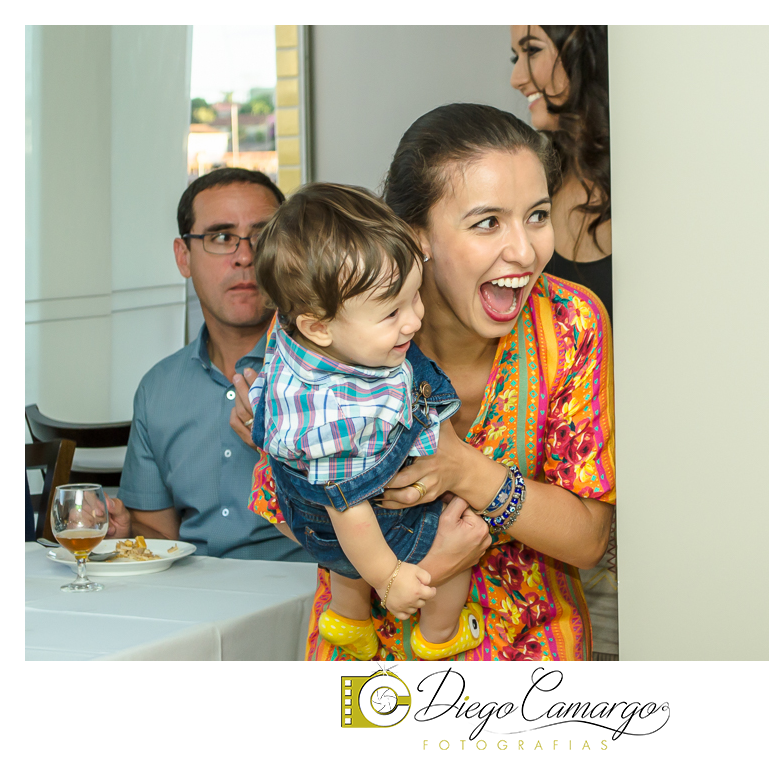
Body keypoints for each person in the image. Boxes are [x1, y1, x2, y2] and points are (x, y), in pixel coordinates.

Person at [233, 103, 617, 660]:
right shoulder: (322, 325)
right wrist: (429, 558)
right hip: (367, 666)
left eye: (537, 215)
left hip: (531, 670)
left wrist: (467, 471)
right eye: (488, 222)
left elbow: (588, 541)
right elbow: (285, 506)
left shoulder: (570, 322)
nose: (526, 250)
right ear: (418, 237)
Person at [249, 182, 485, 660]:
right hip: (354, 521)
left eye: (415, 297)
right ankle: (437, 637)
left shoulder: (303, 337)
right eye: (392, 312)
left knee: (339, 551)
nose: (414, 320)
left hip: (310, 511)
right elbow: (348, 509)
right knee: (455, 526)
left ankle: (348, 617)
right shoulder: (343, 413)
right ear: (318, 325)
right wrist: (390, 577)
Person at [106, 168, 310, 562]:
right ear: (183, 257)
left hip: (313, 602)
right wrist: (128, 532)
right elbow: (157, 533)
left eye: (263, 235)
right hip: (195, 605)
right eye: (221, 237)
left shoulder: (338, 372)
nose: (246, 256)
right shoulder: (159, 388)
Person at [511, 25, 619, 657]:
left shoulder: (667, 182)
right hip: (548, 498)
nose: (517, 77)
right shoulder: (529, 191)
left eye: (531, 52)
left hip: (658, 488)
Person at [509, 25, 612, 321]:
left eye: (532, 50)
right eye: (515, 57)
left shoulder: (654, 177)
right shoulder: (538, 178)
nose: (516, 79)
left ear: (587, 49)